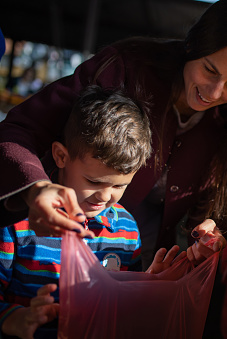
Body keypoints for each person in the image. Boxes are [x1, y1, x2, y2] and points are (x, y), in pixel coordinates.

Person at [0, 0, 227, 337]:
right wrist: (37, 188)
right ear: (193, 45)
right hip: (52, 235)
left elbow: (213, 207)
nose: (214, 92)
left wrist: (206, 233)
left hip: (127, 251)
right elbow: (20, 129)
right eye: (209, 70)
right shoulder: (124, 69)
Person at [0, 85, 155, 338]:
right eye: (93, 182)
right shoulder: (16, 221)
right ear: (61, 156)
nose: (105, 196)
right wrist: (15, 318)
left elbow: (126, 309)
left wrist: (151, 284)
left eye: (119, 185)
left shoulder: (127, 231)